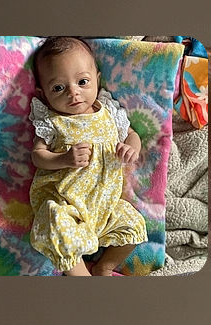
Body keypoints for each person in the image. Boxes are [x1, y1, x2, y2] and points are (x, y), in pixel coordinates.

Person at [28, 37, 147, 276]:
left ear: (97, 80)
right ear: (43, 94)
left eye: (82, 82)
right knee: (55, 224)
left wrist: (131, 148)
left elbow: (132, 135)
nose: (74, 92)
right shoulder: (52, 121)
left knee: (134, 225)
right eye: (58, 88)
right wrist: (63, 159)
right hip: (66, 204)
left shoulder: (109, 111)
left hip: (106, 206)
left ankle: (105, 265)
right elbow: (37, 155)